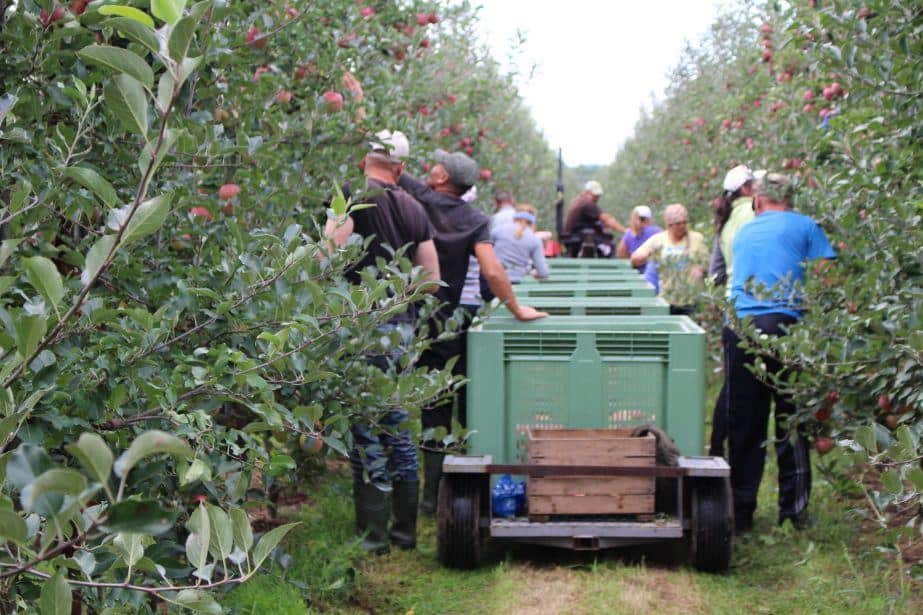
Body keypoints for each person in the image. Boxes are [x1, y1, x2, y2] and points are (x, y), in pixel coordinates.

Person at [398, 149, 548, 514]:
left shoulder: (420, 199)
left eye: (437, 165)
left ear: (442, 178)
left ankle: (432, 497)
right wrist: (516, 308)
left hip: (421, 316)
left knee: (433, 404)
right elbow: (492, 271)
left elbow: (393, 170)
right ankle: (468, 486)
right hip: (455, 318)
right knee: (466, 398)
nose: (431, 167)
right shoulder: (476, 220)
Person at [323, 130, 440, 554]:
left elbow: (327, 256)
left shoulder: (351, 197)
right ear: (401, 168)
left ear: (366, 160)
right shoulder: (414, 207)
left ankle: (373, 538)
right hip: (401, 328)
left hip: (362, 327)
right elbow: (431, 280)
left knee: (365, 428)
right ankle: (404, 533)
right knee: (397, 424)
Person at [724, 172, 836, 532]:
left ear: (757, 200)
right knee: (792, 418)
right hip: (785, 326)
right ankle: (793, 512)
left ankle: (741, 511)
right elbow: (828, 280)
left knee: (745, 422)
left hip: (740, 328)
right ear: (791, 198)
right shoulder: (805, 226)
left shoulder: (744, 231)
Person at [708, 165, 758, 458]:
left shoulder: (725, 221)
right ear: (747, 188)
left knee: (733, 385)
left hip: (733, 309)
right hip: (755, 304)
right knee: (750, 389)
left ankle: (717, 444)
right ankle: (740, 452)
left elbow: (715, 273)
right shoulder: (753, 214)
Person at [629, 203, 708, 314]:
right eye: (678, 224)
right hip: (668, 300)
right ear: (669, 225)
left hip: (692, 300)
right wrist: (643, 256)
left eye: (684, 222)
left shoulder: (696, 238)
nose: (682, 226)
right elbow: (635, 259)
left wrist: (700, 269)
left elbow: (707, 263)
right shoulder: (658, 240)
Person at [562, 180, 626, 257]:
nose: (597, 198)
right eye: (595, 195)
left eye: (598, 196)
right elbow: (607, 219)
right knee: (608, 245)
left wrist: (603, 227)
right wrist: (625, 231)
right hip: (577, 237)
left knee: (605, 234)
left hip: (574, 235)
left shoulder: (579, 200)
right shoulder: (587, 203)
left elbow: (596, 220)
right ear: (587, 192)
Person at [490, 204, 550, 283]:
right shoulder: (535, 240)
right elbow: (543, 273)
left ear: (514, 217)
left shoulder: (498, 230)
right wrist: (534, 273)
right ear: (532, 221)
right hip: (515, 281)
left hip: (493, 280)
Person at [616, 205, 662, 269]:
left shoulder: (655, 232)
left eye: (642, 219)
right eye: (641, 219)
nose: (640, 222)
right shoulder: (629, 234)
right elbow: (621, 255)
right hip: (637, 270)